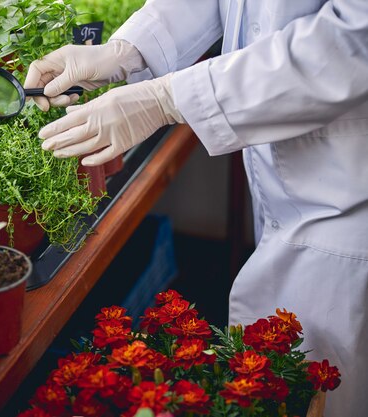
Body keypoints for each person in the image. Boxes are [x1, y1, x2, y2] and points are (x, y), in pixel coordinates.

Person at [24, 0, 368, 415]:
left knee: (329, 386)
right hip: (299, 180)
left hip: (351, 197)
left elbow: (352, 40)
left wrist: (166, 98)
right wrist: (126, 50)